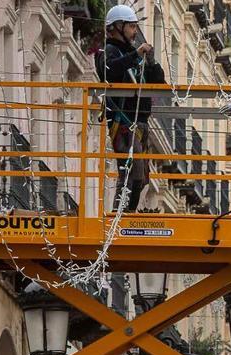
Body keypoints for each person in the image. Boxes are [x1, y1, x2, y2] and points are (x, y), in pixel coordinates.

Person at [95, 4, 165, 213]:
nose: (135, 31)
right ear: (117, 27)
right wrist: (136, 55)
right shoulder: (109, 51)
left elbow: (158, 83)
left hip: (139, 123)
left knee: (141, 178)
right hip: (122, 120)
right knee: (130, 174)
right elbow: (108, 71)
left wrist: (151, 62)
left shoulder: (132, 55)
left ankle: (126, 213)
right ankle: (121, 215)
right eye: (132, 27)